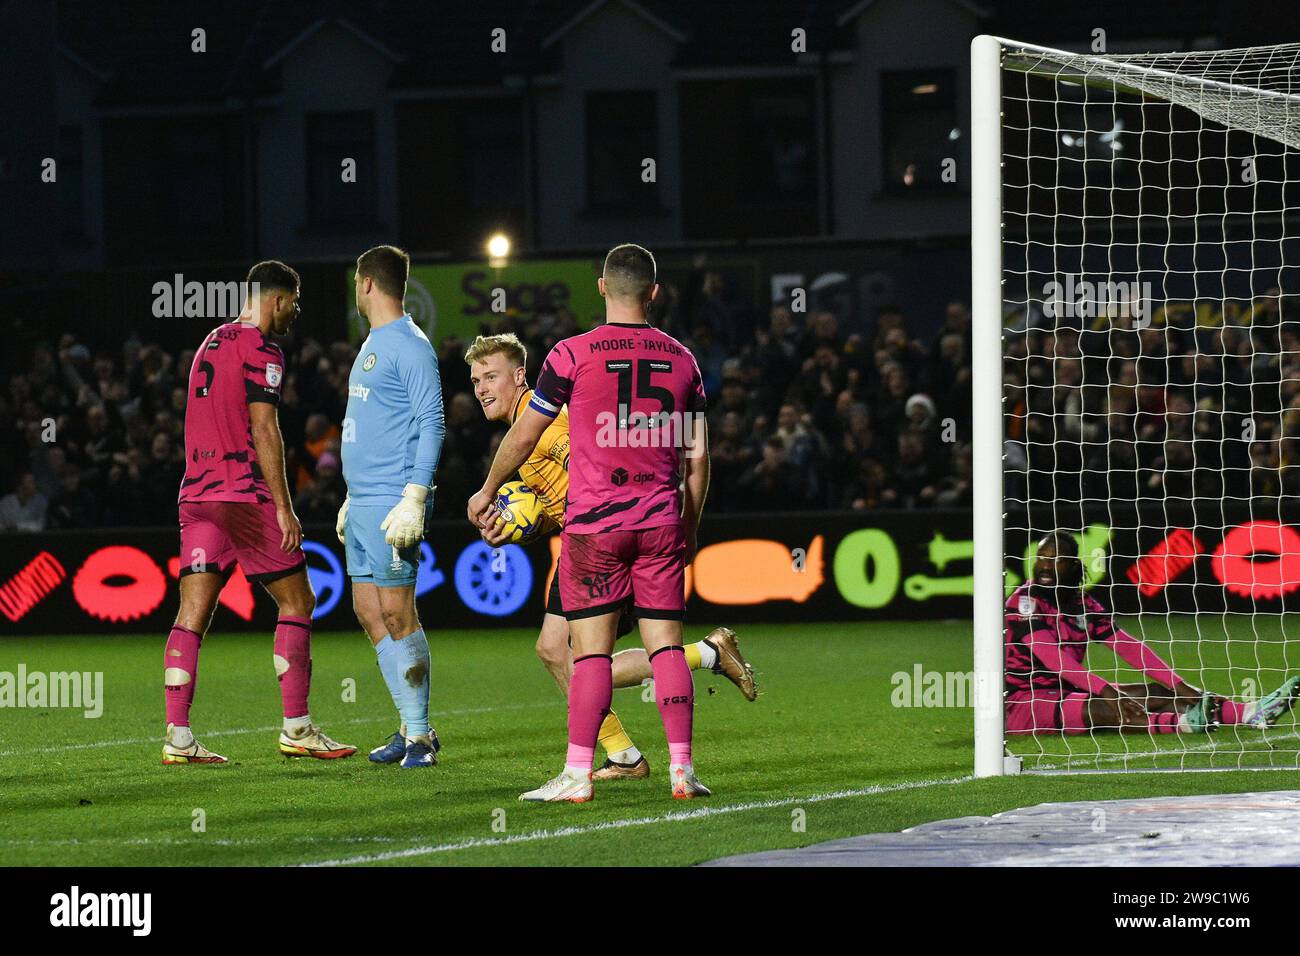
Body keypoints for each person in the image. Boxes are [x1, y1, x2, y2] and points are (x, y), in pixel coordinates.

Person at [469, 243, 712, 802]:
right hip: (658, 520)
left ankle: (579, 775)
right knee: (666, 650)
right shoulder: (683, 360)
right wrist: (690, 525)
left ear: (601, 288)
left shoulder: (570, 354)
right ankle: (683, 771)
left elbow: (527, 433)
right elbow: (697, 457)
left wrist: (486, 491)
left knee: (591, 655)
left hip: (596, 526)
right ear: (653, 293)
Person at [465, 332, 756, 781]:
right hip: (589, 538)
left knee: (582, 658)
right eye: (475, 380)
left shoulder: (543, 426)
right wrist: (527, 526)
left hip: (601, 542)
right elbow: (567, 497)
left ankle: (699, 662)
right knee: (558, 650)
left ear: (520, 376)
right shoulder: (529, 426)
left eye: (490, 377)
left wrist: (506, 503)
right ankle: (628, 748)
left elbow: (585, 473)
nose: (481, 388)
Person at [163, 260, 355, 764]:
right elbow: (265, 429)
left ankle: (178, 736)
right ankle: (297, 726)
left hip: (196, 495)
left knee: (191, 615)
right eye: (294, 301)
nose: (296, 310)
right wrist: (285, 508)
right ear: (275, 299)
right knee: (299, 601)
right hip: (242, 494)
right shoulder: (262, 348)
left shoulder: (211, 341)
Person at [1004, 531, 1300, 735]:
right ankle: (1183, 724)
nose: (1044, 565)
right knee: (1103, 705)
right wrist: (1108, 691)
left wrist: (1180, 684)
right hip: (1024, 702)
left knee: (1159, 693)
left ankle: (1250, 713)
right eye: (1041, 557)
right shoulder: (1023, 602)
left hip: (1067, 694)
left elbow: (1127, 646)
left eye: (1056, 559)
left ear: (1072, 566)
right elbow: (1054, 660)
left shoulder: (1083, 603)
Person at [336, 245, 446, 769]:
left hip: (390, 503)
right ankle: (408, 726)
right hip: (362, 502)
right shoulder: (375, 343)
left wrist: (415, 497)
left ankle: (421, 736)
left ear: (366, 284)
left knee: (399, 613)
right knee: (367, 611)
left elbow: (433, 422)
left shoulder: (409, 344)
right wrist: (349, 495)